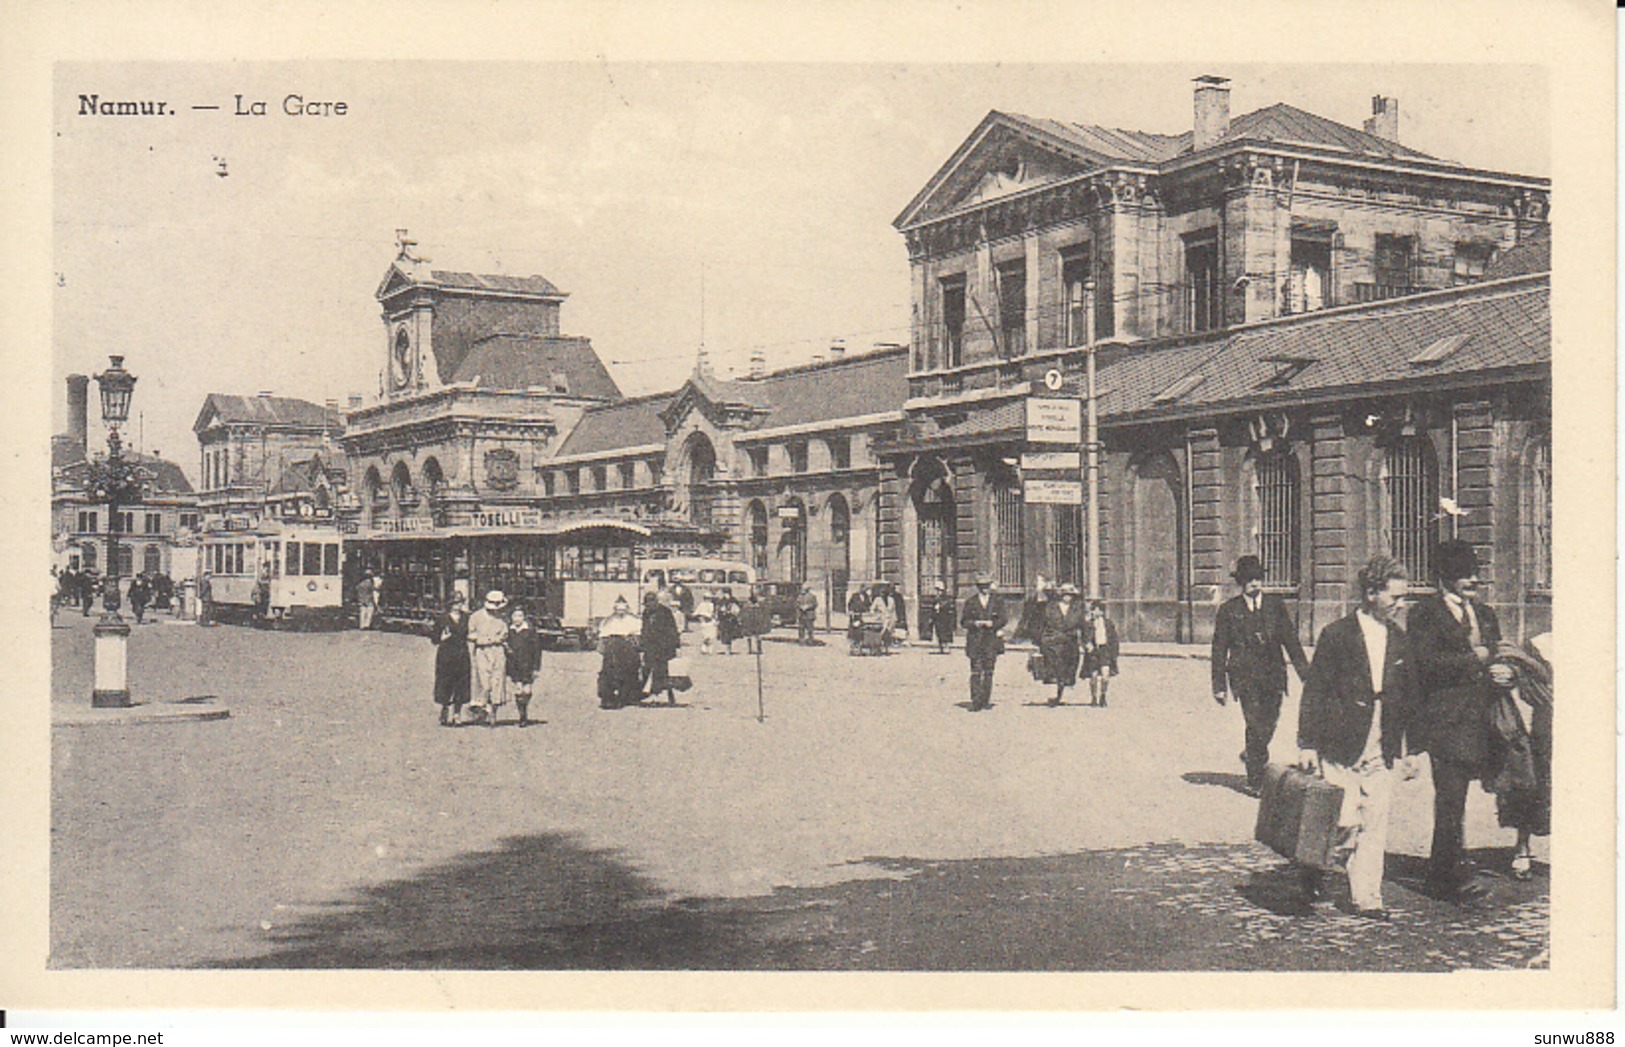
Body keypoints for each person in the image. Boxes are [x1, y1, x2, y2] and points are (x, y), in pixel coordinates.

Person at [1294, 554, 1419, 920]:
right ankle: (1313, 872)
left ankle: (1367, 896)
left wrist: (1411, 749)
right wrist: (1307, 744)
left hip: (1383, 737)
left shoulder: (1399, 638)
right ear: (1370, 593)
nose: (1400, 604)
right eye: (1394, 597)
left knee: (1375, 821)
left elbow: (1409, 696)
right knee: (1345, 821)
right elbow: (1315, 691)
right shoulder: (1337, 635)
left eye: (1403, 597)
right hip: (1341, 739)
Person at [1407, 539, 1515, 903]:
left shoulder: (1484, 614)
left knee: (1467, 797)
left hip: (1483, 722)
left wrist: (1505, 673)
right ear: (1445, 577)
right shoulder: (1424, 614)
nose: (1472, 580)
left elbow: (1498, 654)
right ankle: (1443, 879)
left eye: (1474, 574)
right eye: (1463, 574)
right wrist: (1476, 658)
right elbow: (1425, 665)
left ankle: (1452, 866)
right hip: (1446, 723)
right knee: (1450, 800)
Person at [1211, 555, 1311, 793]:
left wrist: (1306, 675)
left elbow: (1291, 641)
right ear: (1241, 583)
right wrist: (1219, 685)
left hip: (1274, 676)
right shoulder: (1229, 610)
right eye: (1249, 580)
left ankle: (1252, 753)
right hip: (1245, 678)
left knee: (1270, 722)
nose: (1255, 584)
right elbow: (1219, 649)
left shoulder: (1275, 606)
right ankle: (1256, 780)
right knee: (1255, 724)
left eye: (1257, 578)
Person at [1489, 632, 1552, 880]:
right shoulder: (1542, 643)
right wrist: (1514, 673)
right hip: (1542, 725)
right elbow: (1528, 676)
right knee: (1531, 782)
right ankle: (1522, 846)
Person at [960, 572, 1008, 712]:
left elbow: (1003, 619)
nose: (984, 588)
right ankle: (975, 701)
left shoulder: (997, 601)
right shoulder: (971, 602)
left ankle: (985, 700)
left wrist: (992, 624)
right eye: (981, 586)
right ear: (977, 587)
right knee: (975, 671)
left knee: (988, 671)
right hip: (975, 640)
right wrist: (975, 623)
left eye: (986, 585)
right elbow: (964, 622)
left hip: (991, 641)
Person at [1036, 583, 1087, 706]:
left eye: (1070, 595)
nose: (1068, 597)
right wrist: (1039, 642)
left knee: (1068, 668)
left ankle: (1060, 692)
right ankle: (1056, 694)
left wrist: (1086, 641)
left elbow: (1083, 626)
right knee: (1055, 668)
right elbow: (1041, 625)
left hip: (1070, 642)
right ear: (1060, 595)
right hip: (1053, 641)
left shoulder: (1077, 609)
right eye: (1065, 595)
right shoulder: (1050, 607)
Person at [466, 590, 510, 726]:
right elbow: (471, 634)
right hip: (482, 651)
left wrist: (496, 640)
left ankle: (493, 713)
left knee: (497, 681)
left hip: (497, 652)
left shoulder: (503, 618)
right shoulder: (476, 617)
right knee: (484, 682)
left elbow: (505, 634)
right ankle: (482, 707)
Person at [430, 591, 472, 726]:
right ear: (450, 604)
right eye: (455, 603)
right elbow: (434, 639)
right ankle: (444, 708)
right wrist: (441, 638)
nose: (458, 606)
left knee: (461, 684)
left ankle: (457, 714)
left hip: (462, 654)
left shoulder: (467, 618)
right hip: (446, 655)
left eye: (460, 603)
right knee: (445, 683)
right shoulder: (442, 619)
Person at [597, 596, 643, 709]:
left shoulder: (634, 620)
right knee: (608, 673)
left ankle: (627, 696)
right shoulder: (608, 621)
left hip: (627, 648)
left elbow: (637, 636)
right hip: (612, 648)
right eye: (618, 610)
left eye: (623, 610)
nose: (620, 612)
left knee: (629, 671)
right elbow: (603, 637)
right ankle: (607, 697)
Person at [640, 590, 682, 704]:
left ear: (656, 602)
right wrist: (642, 645)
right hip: (650, 647)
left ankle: (666, 695)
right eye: (646, 604)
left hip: (664, 647)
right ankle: (649, 693)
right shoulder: (646, 613)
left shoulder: (665, 612)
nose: (648, 606)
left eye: (650, 604)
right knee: (647, 669)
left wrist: (675, 645)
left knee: (662, 671)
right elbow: (644, 629)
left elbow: (672, 629)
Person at [505, 604, 543, 727]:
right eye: (515, 616)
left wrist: (536, 667)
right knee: (518, 689)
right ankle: (522, 716)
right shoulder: (508, 631)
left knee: (527, 690)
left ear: (524, 618)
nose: (517, 619)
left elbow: (537, 651)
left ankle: (524, 709)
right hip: (514, 665)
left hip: (527, 664)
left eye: (520, 616)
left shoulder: (530, 631)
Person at [1082, 600, 1121, 707]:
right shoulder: (1088, 624)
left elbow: (1114, 639)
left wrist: (1114, 654)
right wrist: (1087, 644)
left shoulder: (1108, 623)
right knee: (1093, 676)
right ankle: (1094, 697)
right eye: (1094, 609)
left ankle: (1103, 695)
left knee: (1105, 676)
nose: (1096, 612)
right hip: (1093, 651)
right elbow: (1084, 637)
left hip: (1105, 651)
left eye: (1098, 610)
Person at [846, 584, 871, 653]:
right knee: (854, 630)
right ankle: (854, 645)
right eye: (864, 589)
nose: (865, 591)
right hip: (855, 615)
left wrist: (868, 612)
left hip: (863, 616)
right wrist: (851, 612)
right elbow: (850, 604)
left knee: (862, 631)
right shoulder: (855, 596)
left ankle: (860, 644)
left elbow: (868, 605)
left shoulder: (866, 597)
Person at [716, 590, 742, 655]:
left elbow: (737, 610)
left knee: (729, 635)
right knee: (724, 635)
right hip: (724, 620)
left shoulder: (733, 601)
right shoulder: (721, 602)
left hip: (730, 620)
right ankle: (726, 649)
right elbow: (718, 610)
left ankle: (728, 649)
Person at [694, 589, 718, 654]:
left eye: (709, 598)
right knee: (705, 636)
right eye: (707, 598)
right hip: (704, 622)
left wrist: (714, 618)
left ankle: (710, 649)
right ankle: (704, 649)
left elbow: (713, 613)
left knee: (710, 636)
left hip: (710, 623)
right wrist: (701, 617)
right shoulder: (701, 605)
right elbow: (696, 613)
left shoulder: (712, 605)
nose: (708, 600)